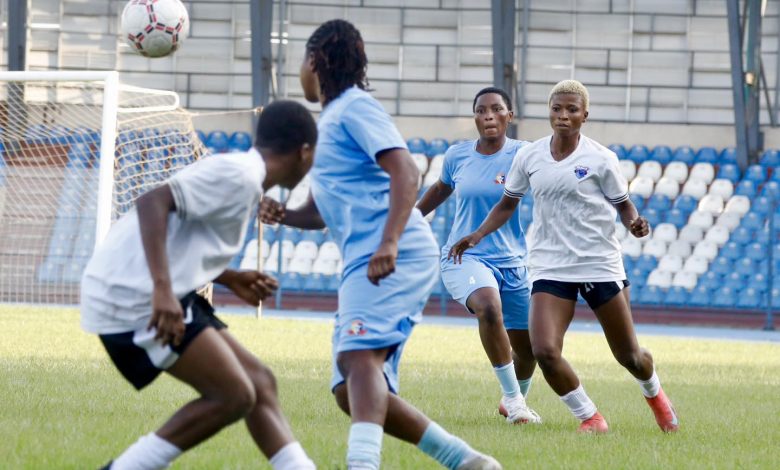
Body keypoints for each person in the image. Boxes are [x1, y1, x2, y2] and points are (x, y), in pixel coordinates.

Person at [260, 19, 509, 470]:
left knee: (358, 363)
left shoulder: (355, 108)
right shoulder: (331, 123)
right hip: (367, 257)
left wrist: (389, 242)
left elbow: (406, 172)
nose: (300, 69)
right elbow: (321, 212)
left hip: (392, 252)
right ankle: (466, 460)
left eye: (302, 59)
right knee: (348, 389)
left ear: (316, 61)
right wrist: (286, 215)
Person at [81, 100, 319, 469]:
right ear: (305, 152)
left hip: (152, 287)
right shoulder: (239, 175)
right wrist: (161, 289)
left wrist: (231, 277)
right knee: (233, 395)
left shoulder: (247, 180)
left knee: (259, 383)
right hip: (133, 295)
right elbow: (152, 202)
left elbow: (184, 238)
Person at [449, 80, 679, 434]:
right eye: (557, 109)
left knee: (629, 356)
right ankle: (591, 418)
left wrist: (634, 223)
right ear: (549, 112)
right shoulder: (530, 156)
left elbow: (624, 205)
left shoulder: (601, 159)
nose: (563, 116)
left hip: (599, 264)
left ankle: (656, 396)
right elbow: (507, 204)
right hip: (550, 266)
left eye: (572, 110)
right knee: (543, 350)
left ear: (585, 115)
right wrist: (477, 235)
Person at [416, 87, 540, 424]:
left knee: (530, 351)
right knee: (488, 307)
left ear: (509, 116)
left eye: (496, 109)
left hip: (512, 261)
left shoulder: (524, 154)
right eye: (481, 110)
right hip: (464, 255)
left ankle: (514, 400)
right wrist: (410, 219)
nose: (488, 115)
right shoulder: (457, 155)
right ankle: (515, 402)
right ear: (474, 117)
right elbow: (441, 189)